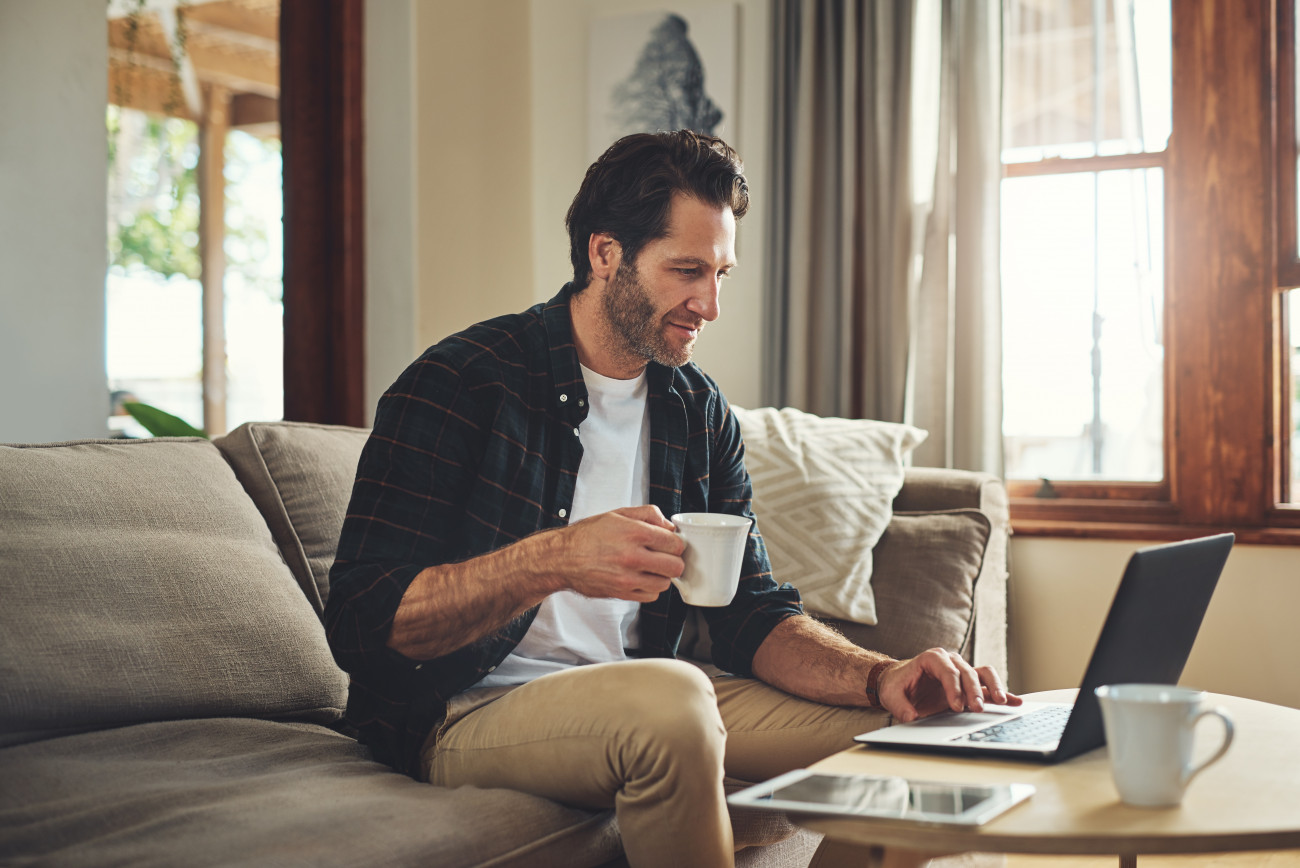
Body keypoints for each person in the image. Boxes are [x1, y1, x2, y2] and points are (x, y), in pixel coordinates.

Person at [325, 130, 1019, 868]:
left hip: (656, 695)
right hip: (465, 710)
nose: (710, 304)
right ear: (605, 255)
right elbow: (364, 625)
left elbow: (754, 612)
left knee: (917, 744)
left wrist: (884, 677)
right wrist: (555, 559)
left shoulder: (696, 410)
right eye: (686, 270)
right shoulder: (462, 382)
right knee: (673, 699)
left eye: (721, 272)